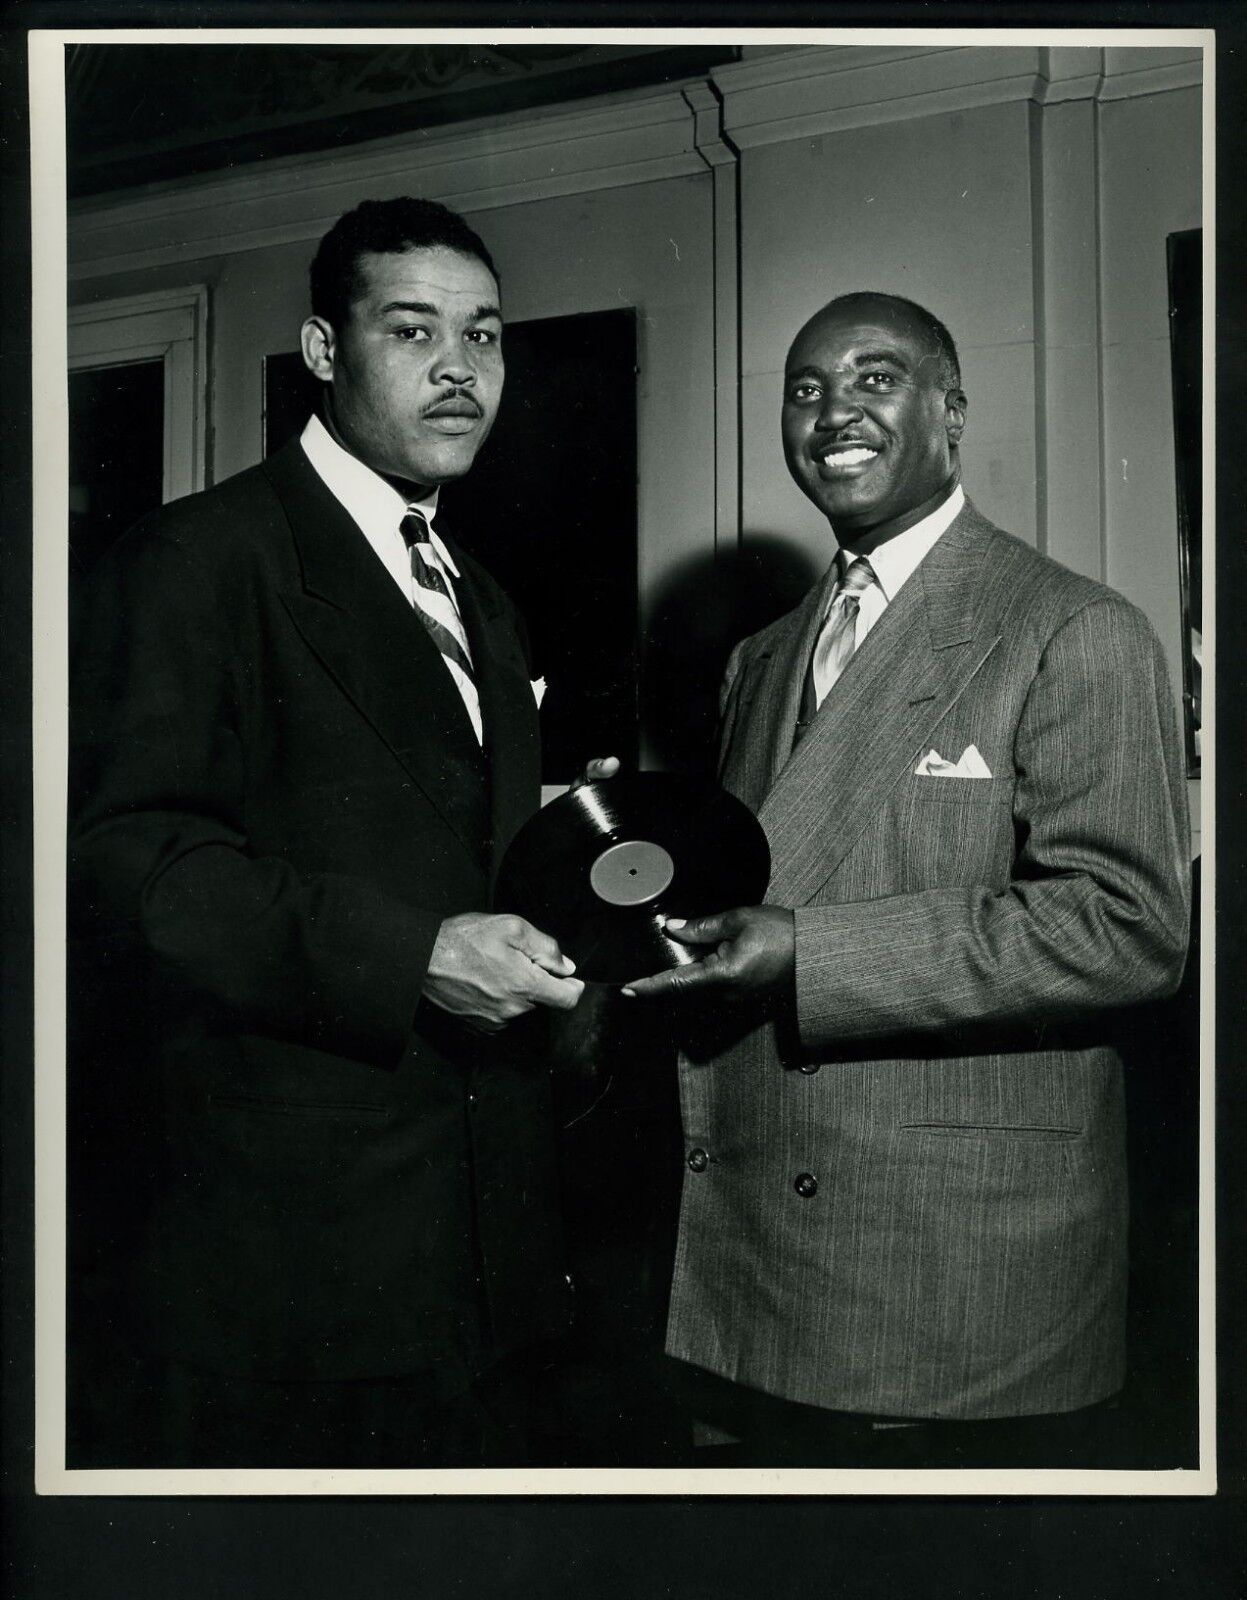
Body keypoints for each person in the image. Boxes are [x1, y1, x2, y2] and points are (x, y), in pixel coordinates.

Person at [68, 197, 595, 1468]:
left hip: (485, 1253)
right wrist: (410, 953)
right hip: (296, 1265)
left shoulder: (482, 595)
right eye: (411, 330)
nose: (460, 368)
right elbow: (128, 864)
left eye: (485, 333)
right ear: (319, 351)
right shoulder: (197, 560)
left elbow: (464, 848)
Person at [624, 291, 1192, 1468]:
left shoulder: (1071, 627)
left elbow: (1129, 927)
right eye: (805, 388)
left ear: (950, 410)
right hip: (747, 1249)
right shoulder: (759, 657)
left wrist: (809, 953)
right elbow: (761, 878)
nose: (833, 411)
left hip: (952, 1275)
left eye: (874, 378)